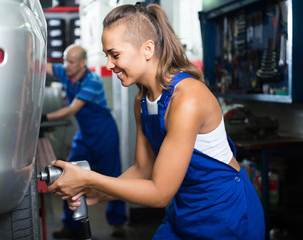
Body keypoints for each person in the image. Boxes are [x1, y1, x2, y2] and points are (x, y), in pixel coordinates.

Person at [48, 3, 265, 240]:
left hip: (226, 214)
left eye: (115, 54)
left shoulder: (188, 98)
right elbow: (142, 170)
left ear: (147, 49)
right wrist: (97, 192)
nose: (109, 65)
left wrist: (90, 178)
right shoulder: (142, 100)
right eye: (106, 56)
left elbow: (160, 192)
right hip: (185, 211)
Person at [44, 44, 127, 239]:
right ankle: (70, 225)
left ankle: (118, 223)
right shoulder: (66, 73)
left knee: (112, 176)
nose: (66, 65)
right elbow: (42, 66)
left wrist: (45, 118)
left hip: (104, 133)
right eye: (64, 60)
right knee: (69, 174)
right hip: (85, 134)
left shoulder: (92, 81)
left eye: (71, 62)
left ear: (82, 63)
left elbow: (73, 109)